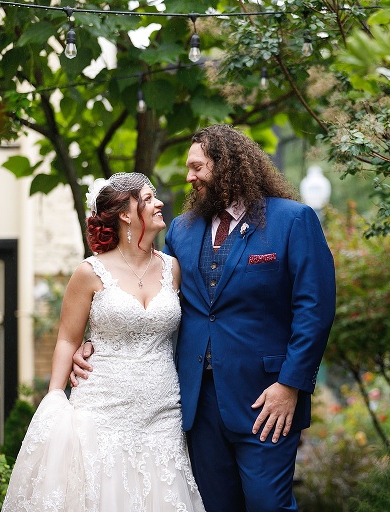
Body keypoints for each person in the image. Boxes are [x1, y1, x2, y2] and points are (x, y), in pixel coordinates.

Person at [74, 125, 337, 511]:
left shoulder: (293, 220)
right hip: (196, 402)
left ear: (227, 164)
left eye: (197, 167)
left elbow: (315, 309)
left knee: (268, 505)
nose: (189, 177)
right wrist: (100, 336)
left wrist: (291, 385)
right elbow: (158, 299)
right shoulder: (182, 229)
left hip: (266, 399)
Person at [3, 173, 206, 512]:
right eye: (148, 198)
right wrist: (55, 397)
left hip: (163, 411)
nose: (159, 203)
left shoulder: (173, 268)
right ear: (125, 213)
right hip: (102, 409)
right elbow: (68, 339)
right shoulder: (89, 272)